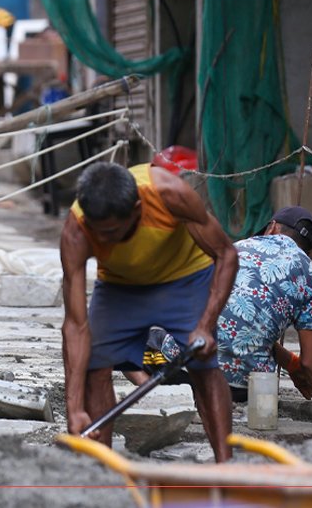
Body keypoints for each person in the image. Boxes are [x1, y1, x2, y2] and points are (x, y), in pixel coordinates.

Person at [60, 162, 238, 462]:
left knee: (203, 365)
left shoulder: (169, 193)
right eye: (97, 232)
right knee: (94, 366)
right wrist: (74, 408)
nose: (102, 241)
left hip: (186, 276)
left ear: (137, 209)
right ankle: (102, 470)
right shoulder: (76, 231)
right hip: (119, 286)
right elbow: (75, 326)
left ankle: (226, 466)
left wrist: (205, 326)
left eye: (112, 231)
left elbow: (226, 254)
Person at [130, 207, 312, 410]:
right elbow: (311, 360)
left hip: (182, 371)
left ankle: (159, 394)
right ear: (307, 252)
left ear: (272, 228)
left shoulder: (236, 248)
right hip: (242, 390)